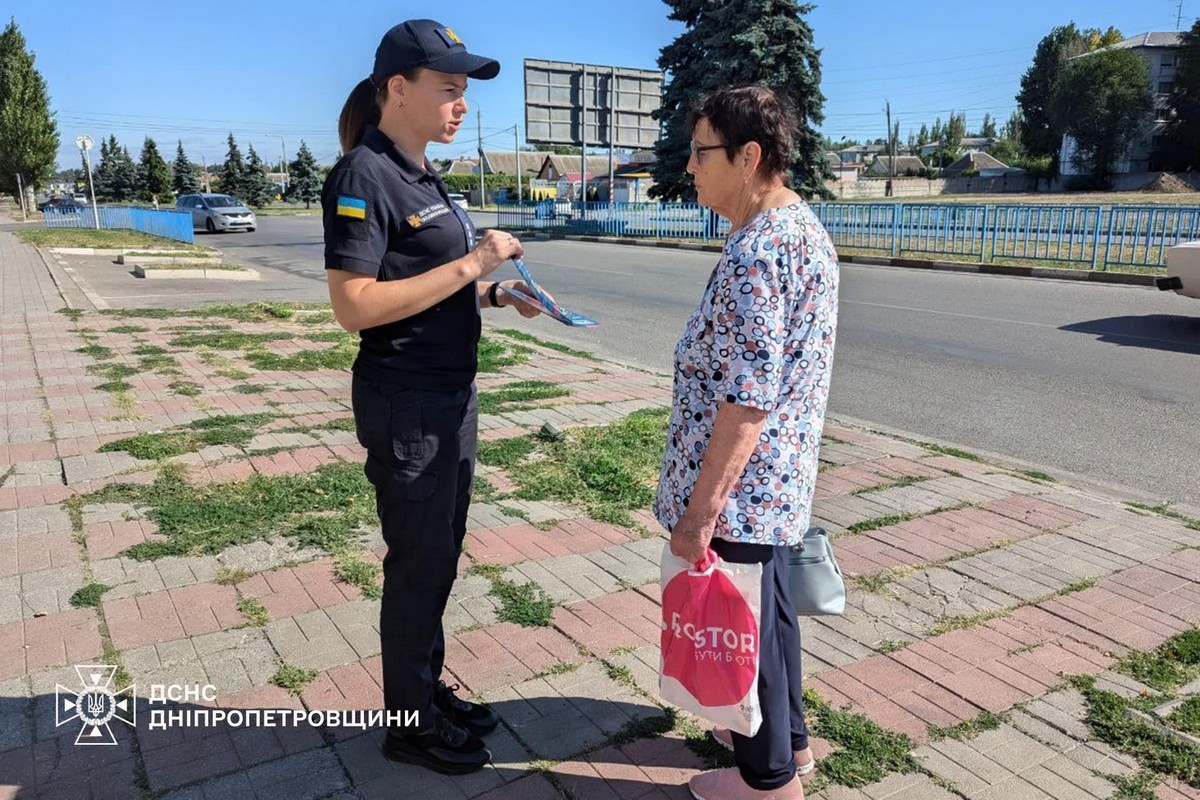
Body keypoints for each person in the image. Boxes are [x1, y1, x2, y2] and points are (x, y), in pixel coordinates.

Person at [322, 18, 542, 776]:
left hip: (450, 396)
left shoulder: (421, 175)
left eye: (464, 92)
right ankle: (408, 724)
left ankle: (423, 692)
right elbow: (354, 304)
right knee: (417, 564)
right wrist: (474, 262)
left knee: (439, 558)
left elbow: (423, 288)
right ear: (398, 88)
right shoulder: (363, 175)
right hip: (408, 401)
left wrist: (490, 294)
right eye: (449, 89)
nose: (462, 105)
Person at [654, 85, 840, 800]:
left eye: (701, 152)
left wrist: (701, 512)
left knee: (745, 629)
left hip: (743, 490)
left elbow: (748, 397)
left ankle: (767, 785)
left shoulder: (758, 252)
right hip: (778, 483)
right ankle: (790, 745)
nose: (690, 167)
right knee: (773, 617)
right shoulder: (800, 229)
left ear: (749, 155)